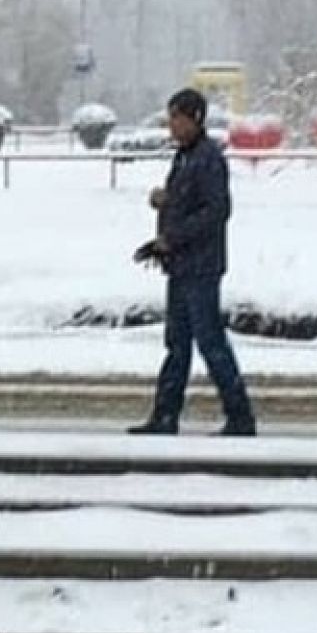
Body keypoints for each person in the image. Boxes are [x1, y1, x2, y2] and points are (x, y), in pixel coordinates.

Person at [128, 87, 257, 437]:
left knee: (211, 342)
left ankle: (240, 416)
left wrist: (174, 236)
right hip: (182, 265)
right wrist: (165, 207)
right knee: (178, 344)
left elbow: (216, 211)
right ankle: (165, 415)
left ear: (194, 119)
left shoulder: (207, 158)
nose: (171, 125)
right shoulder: (185, 156)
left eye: (177, 118)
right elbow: (189, 203)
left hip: (201, 267)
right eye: (170, 117)